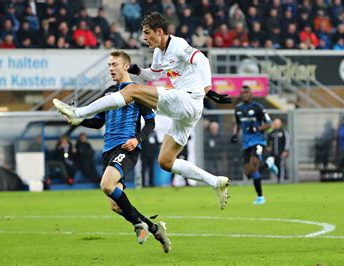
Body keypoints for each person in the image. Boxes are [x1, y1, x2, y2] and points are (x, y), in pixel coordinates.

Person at [53, 12, 231, 209]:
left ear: (160, 32)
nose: (144, 37)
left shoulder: (178, 45)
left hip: (188, 99)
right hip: (186, 109)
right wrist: (138, 71)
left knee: (131, 91)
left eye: (147, 33)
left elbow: (202, 60)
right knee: (166, 161)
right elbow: (153, 76)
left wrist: (207, 87)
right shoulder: (158, 53)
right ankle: (215, 182)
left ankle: (78, 113)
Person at [65, 51, 170, 253]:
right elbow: (98, 122)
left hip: (126, 148)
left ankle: (139, 226)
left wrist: (136, 139)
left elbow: (150, 123)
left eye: (114, 64)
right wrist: (78, 120)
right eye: (109, 65)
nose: (111, 68)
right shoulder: (109, 92)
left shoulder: (137, 91)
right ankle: (155, 228)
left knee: (106, 184)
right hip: (108, 150)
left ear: (126, 66)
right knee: (115, 205)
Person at [231, 86, 275, 205]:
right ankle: (268, 163)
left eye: (247, 92)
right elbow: (238, 124)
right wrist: (235, 134)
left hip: (258, 141)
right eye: (243, 92)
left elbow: (269, 124)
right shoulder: (238, 108)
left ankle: (260, 197)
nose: (245, 94)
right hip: (246, 143)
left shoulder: (258, 107)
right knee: (248, 173)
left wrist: (257, 128)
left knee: (254, 167)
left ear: (251, 94)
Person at [266, 118, 290, 183]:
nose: (276, 125)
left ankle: (281, 180)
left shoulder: (283, 131)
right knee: (272, 166)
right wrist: (268, 147)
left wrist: (286, 150)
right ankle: (274, 179)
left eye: (277, 124)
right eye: (275, 123)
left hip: (281, 152)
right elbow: (268, 140)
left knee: (281, 166)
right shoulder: (271, 132)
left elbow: (287, 141)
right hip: (273, 153)